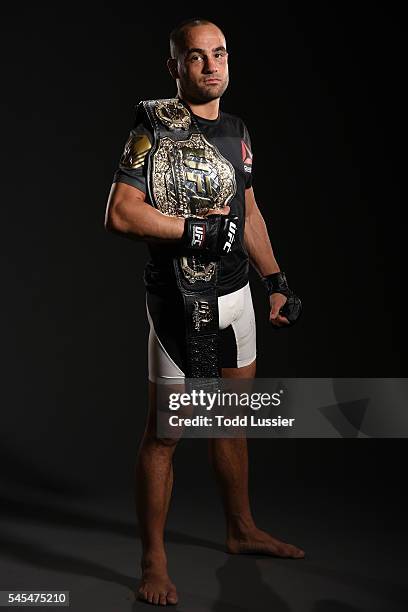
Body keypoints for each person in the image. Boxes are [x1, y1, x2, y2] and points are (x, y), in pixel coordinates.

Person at [105, 17, 303, 607]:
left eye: (219, 54)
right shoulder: (152, 127)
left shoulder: (238, 130)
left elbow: (248, 210)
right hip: (179, 301)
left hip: (238, 296)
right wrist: (194, 232)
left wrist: (275, 279)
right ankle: (153, 560)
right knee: (167, 435)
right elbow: (120, 213)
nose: (211, 65)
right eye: (197, 57)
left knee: (232, 420)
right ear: (176, 68)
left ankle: (240, 530)